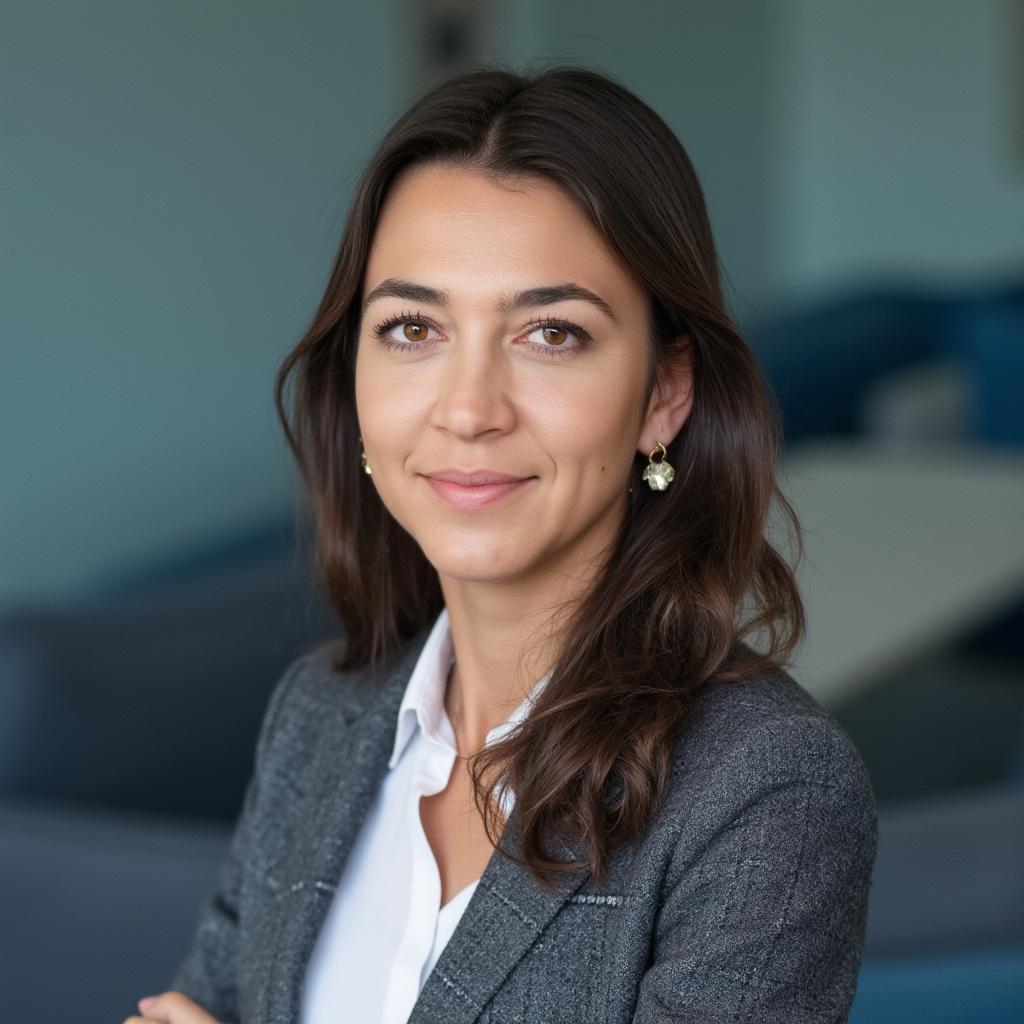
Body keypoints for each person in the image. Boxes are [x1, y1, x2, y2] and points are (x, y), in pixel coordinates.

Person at [123, 64, 878, 1024]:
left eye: (551, 335)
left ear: (664, 395)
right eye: (411, 328)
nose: (470, 409)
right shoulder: (320, 720)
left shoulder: (764, 790)